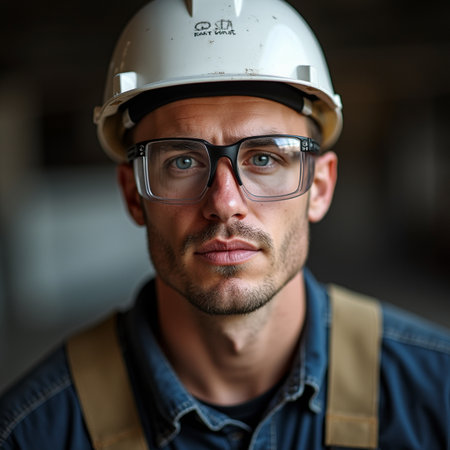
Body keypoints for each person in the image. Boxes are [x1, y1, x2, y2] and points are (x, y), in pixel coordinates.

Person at [1, 0, 449, 448]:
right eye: (181, 161)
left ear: (322, 187)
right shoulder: (33, 433)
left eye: (263, 158)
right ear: (132, 195)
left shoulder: (438, 396)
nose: (225, 203)